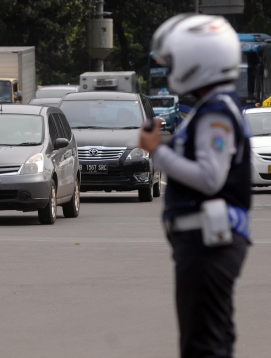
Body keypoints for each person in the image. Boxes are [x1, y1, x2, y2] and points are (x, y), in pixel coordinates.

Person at [139, 14, 251, 358]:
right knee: (212, 342)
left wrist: (156, 151)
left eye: (175, 59)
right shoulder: (213, 107)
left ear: (198, 61)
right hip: (206, 242)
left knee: (202, 346)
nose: (171, 67)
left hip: (209, 245)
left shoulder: (216, 113)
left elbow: (208, 177)